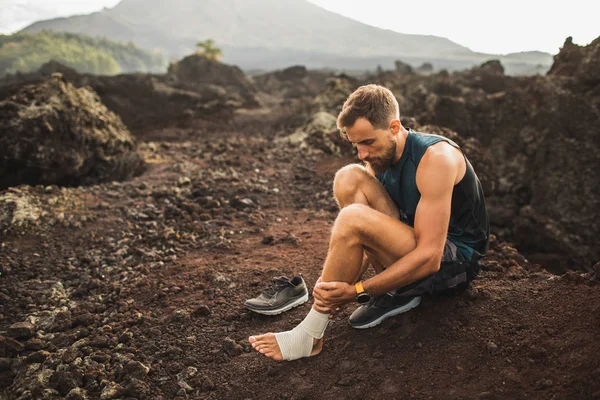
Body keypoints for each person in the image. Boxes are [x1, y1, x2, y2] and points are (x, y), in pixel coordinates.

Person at [249, 84, 489, 361]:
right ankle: (397, 291)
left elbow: (431, 257)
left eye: (368, 142)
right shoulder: (380, 156)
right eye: (355, 144)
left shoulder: (436, 159)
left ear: (394, 126)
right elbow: (365, 236)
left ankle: (311, 333)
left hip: (453, 265)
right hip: (411, 243)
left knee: (353, 217)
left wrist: (357, 291)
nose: (362, 153)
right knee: (349, 176)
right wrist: (337, 282)